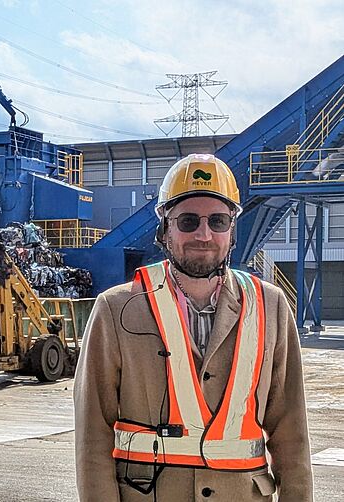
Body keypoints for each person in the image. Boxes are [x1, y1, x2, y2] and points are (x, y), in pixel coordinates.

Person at [74, 154, 313, 501]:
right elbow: (93, 435)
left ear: (231, 230)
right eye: (188, 221)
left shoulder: (271, 306)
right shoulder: (116, 309)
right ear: (164, 229)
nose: (204, 234)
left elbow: (292, 434)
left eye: (218, 221)